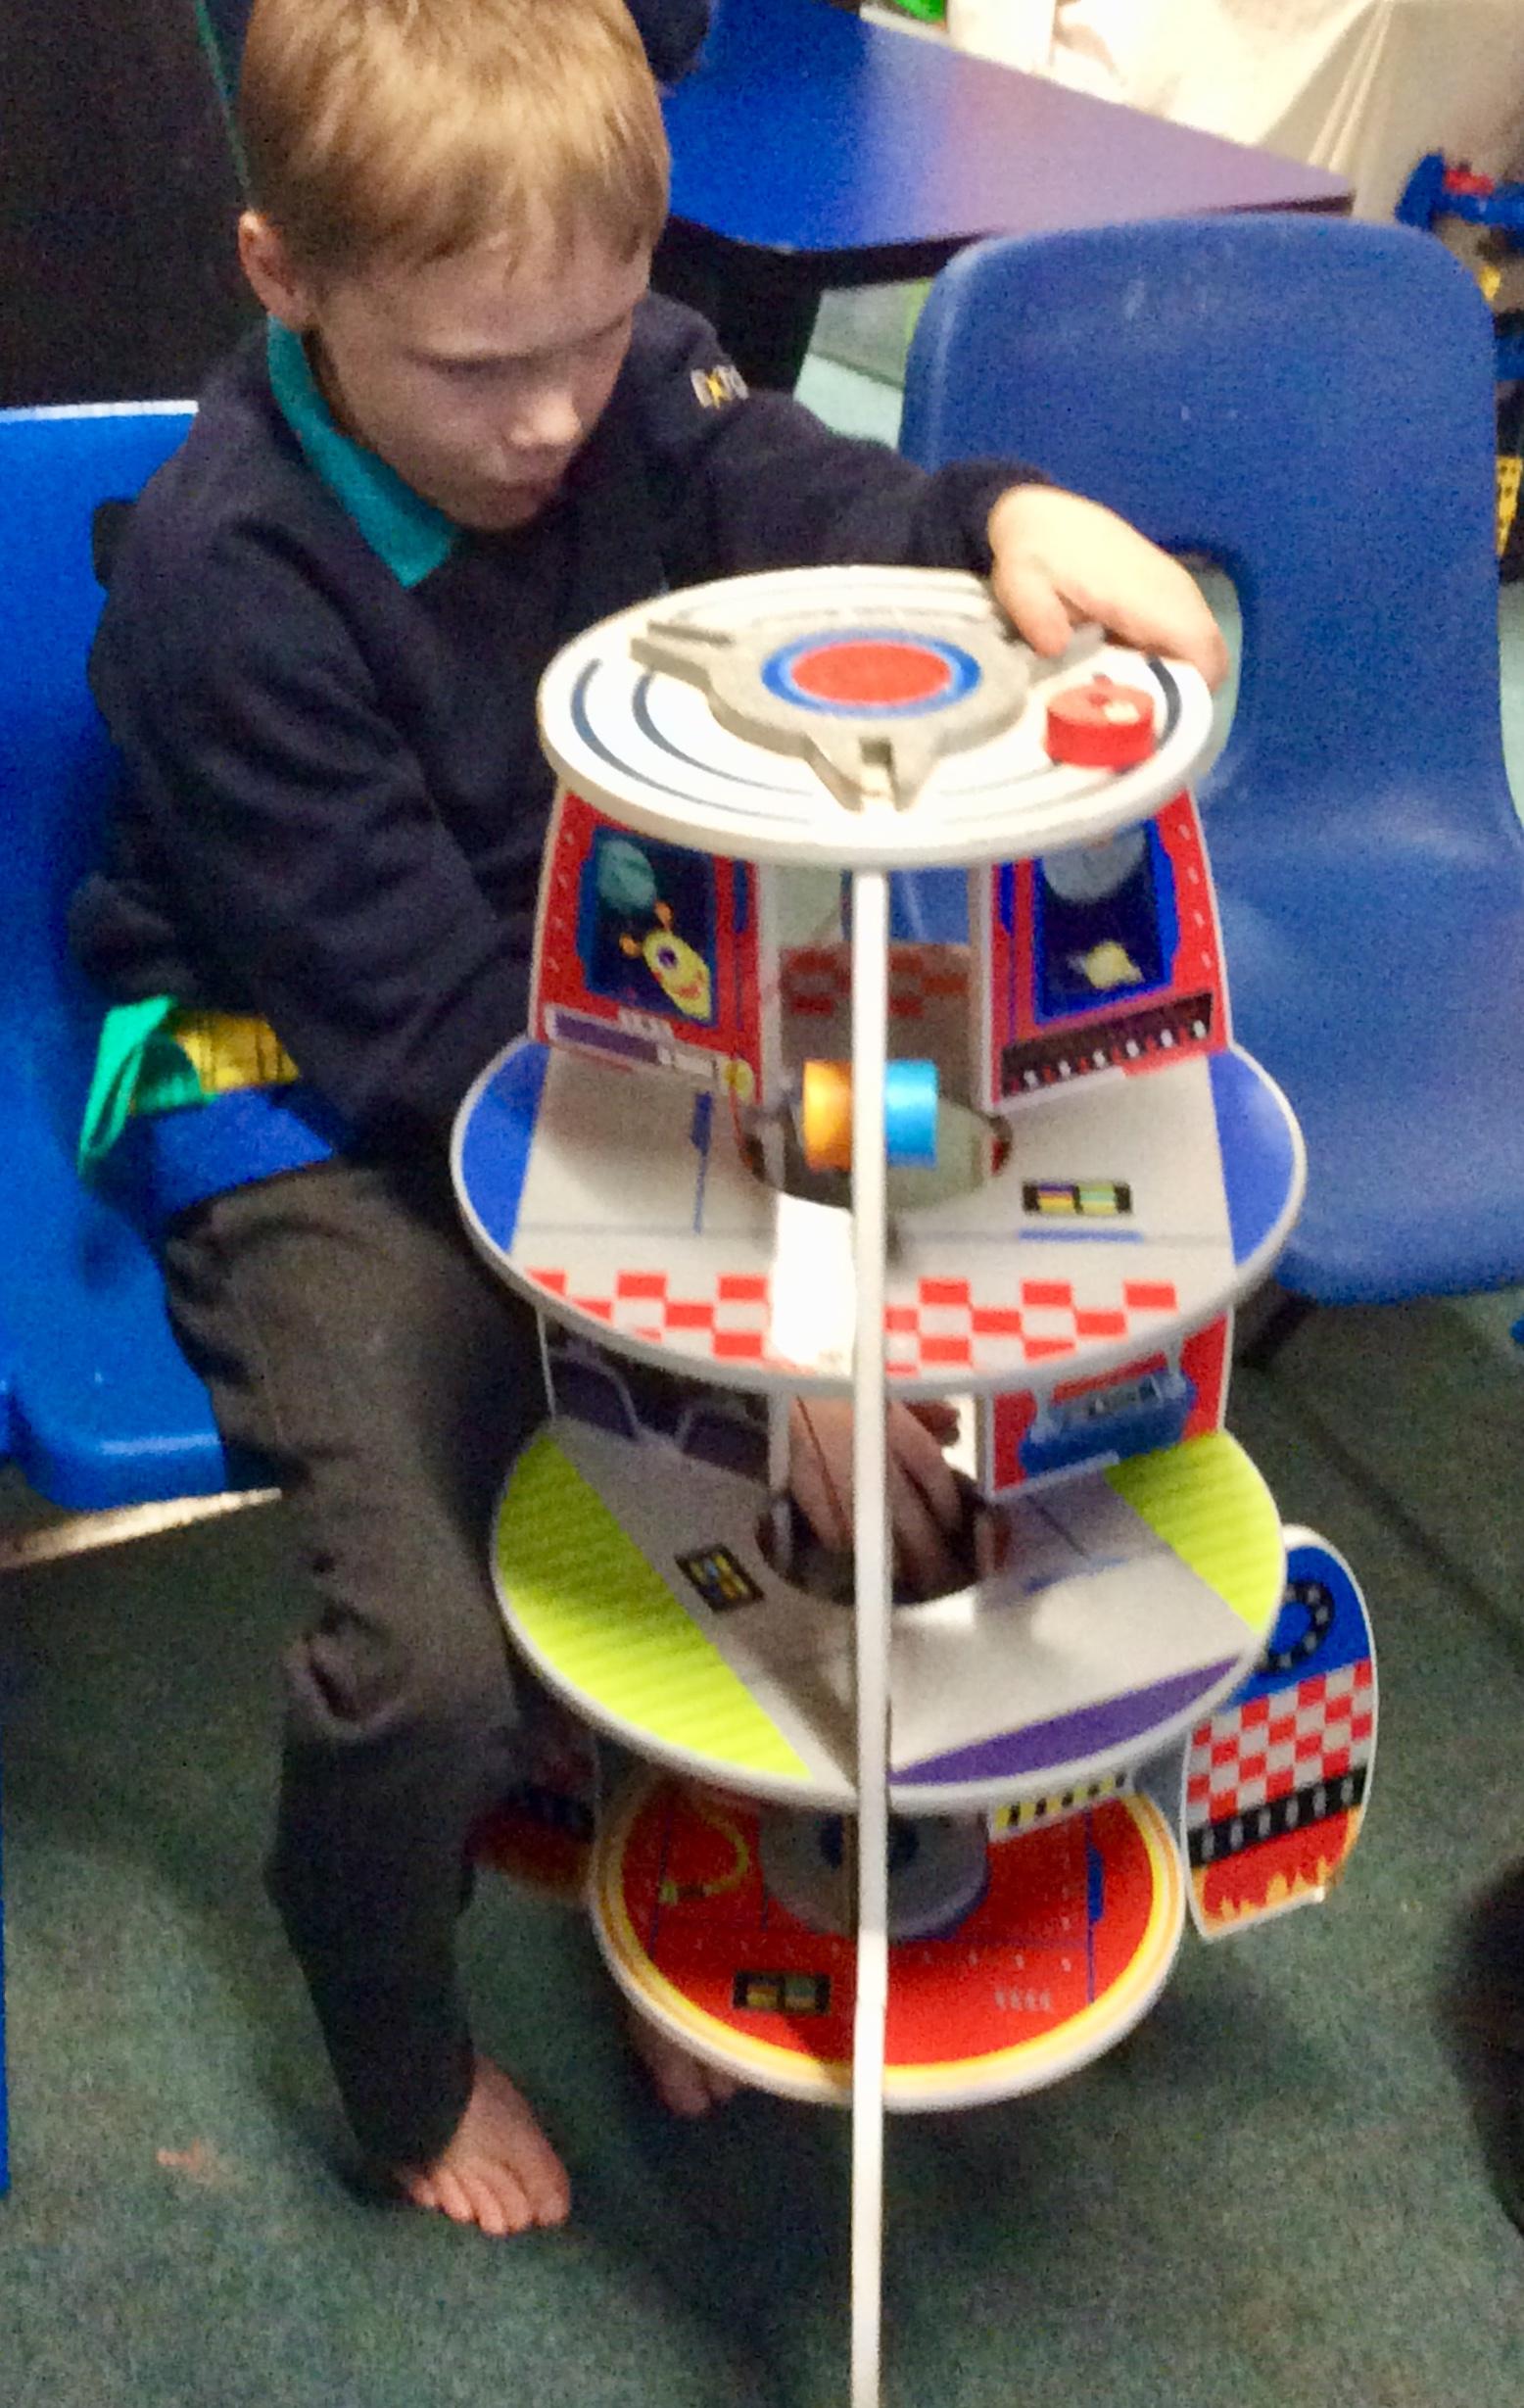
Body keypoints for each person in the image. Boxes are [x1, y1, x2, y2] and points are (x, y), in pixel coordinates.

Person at [70, 0, 1228, 2240]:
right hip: (313, 1085)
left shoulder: (617, 380)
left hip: (636, 1009)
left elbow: (793, 487)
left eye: (594, 338)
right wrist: (766, 1325)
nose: (548, 420)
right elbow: (424, 1041)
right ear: (282, 275)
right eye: (474, 368)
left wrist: (999, 511)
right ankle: (394, 2046)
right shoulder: (227, 579)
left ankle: (651, 1846)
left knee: (876, 1431)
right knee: (430, 1654)